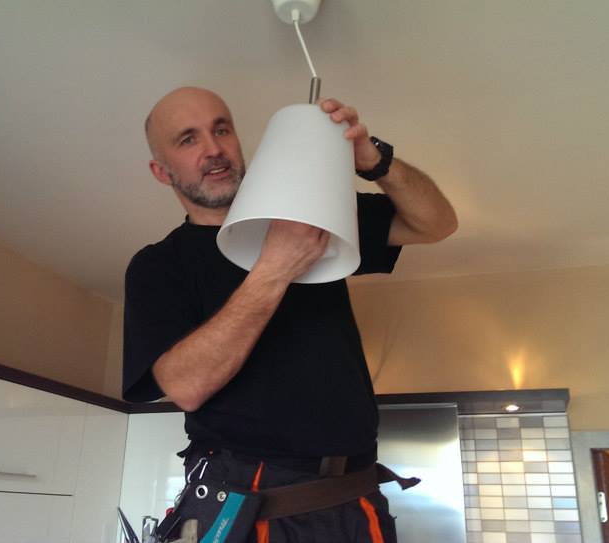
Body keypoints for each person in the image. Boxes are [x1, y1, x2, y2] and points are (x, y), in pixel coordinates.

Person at [123, 86, 457, 543]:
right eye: (188, 139)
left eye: (222, 129)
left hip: (356, 495)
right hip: (250, 503)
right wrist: (275, 267)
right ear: (161, 171)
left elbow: (437, 224)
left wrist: (376, 161)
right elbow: (185, 386)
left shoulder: (308, 214)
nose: (214, 148)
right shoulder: (159, 266)